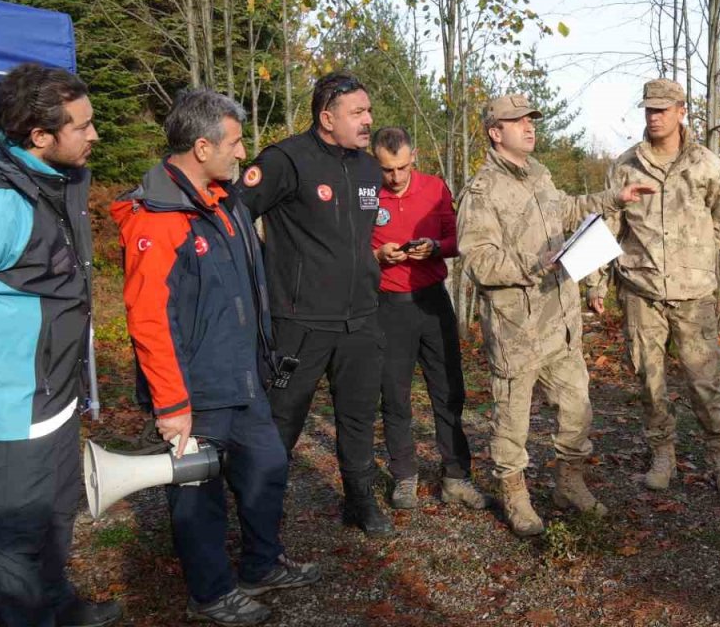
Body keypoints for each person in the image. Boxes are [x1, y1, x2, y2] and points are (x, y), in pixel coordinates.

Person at [115, 88, 319, 625]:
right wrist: (171, 404)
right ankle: (208, 592)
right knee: (196, 497)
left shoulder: (224, 200)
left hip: (244, 378)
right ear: (202, 147)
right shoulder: (157, 218)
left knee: (268, 468)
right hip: (195, 391)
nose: (242, 152)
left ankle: (262, 563)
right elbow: (149, 319)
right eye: (234, 142)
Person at [0, 63, 120, 627]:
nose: (94, 135)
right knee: (12, 538)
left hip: (54, 393)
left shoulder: (52, 176)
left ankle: (58, 607)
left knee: (56, 514)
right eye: (83, 126)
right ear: (39, 136)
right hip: (9, 407)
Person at [456, 94, 650, 537]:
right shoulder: (482, 190)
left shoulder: (539, 174)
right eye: (518, 121)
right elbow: (478, 262)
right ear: (495, 131)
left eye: (531, 120)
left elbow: (565, 210)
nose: (529, 127)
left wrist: (612, 199)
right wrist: (533, 265)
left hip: (560, 322)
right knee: (512, 420)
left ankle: (569, 485)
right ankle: (515, 496)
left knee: (577, 408)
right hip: (516, 328)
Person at [236, 72, 391, 536]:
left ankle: (359, 500)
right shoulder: (286, 160)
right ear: (327, 118)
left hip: (360, 319)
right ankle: (263, 517)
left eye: (368, 111)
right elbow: (236, 216)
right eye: (356, 113)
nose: (368, 121)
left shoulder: (367, 168)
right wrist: (263, 277)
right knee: (282, 422)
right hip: (299, 322)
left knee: (359, 416)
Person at [583, 78, 720, 494]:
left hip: (693, 293)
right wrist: (597, 283)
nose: (654, 117)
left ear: (681, 111)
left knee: (705, 381)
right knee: (649, 380)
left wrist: (697, 261)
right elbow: (609, 228)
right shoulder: (625, 167)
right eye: (649, 110)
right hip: (641, 291)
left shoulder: (708, 165)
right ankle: (662, 456)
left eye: (662, 110)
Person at [368, 126, 485, 510]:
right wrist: (378, 258)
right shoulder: (366, 194)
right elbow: (352, 252)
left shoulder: (435, 188)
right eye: (387, 170)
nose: (396, 177)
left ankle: (456, 475)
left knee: (449, 391)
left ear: (413, 156)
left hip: (433, 302)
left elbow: (458, 240)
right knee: (395, 394)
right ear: (376, 163)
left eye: (402, 167)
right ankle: (404, 476)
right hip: (388, 306)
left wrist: (435, 247)